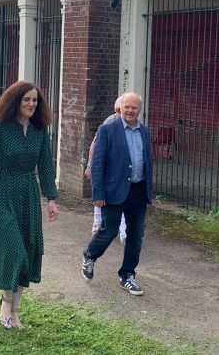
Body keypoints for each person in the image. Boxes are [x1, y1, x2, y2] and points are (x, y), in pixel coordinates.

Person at [0, 80, 59, 329]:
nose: (31, 104)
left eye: (35, 100)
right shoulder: (0, 128)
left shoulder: (40, 131)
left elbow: (46, 167)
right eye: (26, 99)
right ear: (16, 101)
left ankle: (15, 310)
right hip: (2, 193)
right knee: (14, 250)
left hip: (28, 194)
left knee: (28, 251)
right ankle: (6, 302)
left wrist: (51, 198)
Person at [81, 92, 153, 296]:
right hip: (113, 191)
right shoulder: (107, 130)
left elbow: (147, 163)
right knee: (109, 230)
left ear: (140, 110)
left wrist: (148, 192)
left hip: (138, 192)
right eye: (127, 107)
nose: (130, 111)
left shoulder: (144, 131)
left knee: (135, 235)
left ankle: (127, 275)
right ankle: (90, 255)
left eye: (134, 107)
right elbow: (97, 164)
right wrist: (98, 193)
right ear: (120, 108)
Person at [85, 96, 127, 243]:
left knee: (123, 197)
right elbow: (95, 145)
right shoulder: (109, 123)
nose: (118, 114)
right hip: (106, 164)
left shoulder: (133, 125)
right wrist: (90, 165)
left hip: (121, 167)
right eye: (117, 110)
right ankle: (97, 223)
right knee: (100, 193)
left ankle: (124, 231)